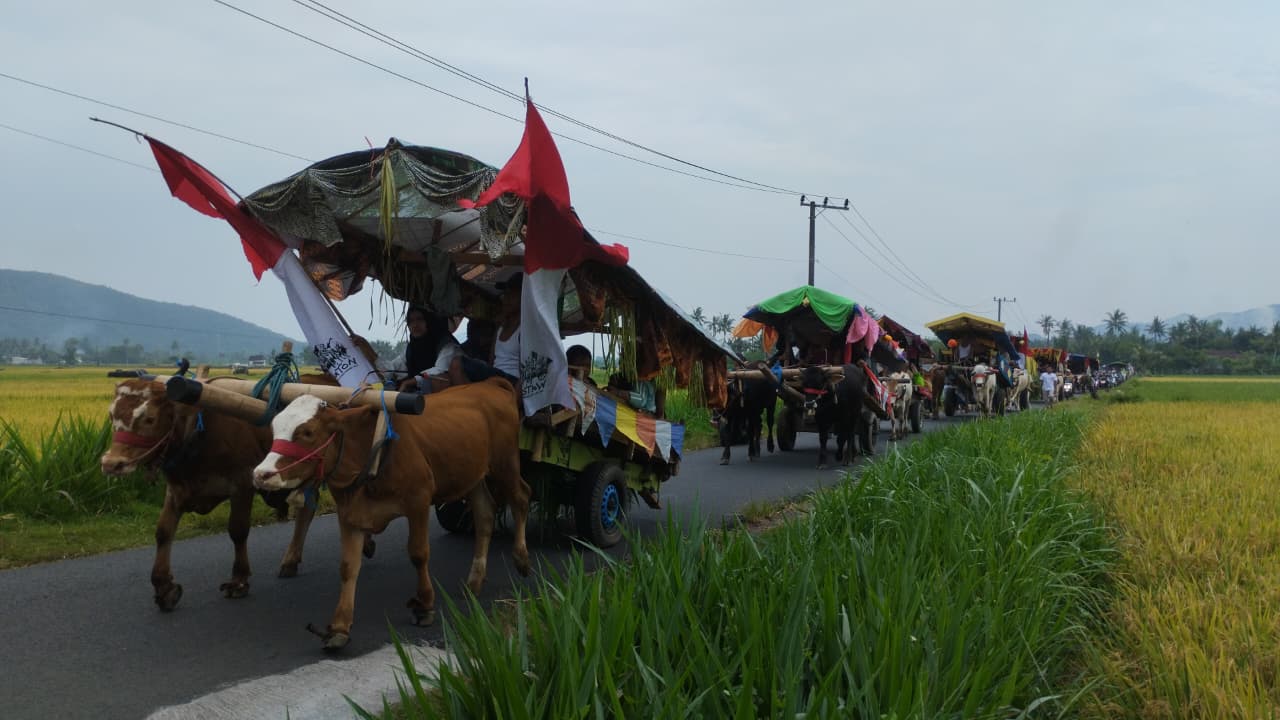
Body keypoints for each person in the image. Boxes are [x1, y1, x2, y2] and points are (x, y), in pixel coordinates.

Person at [397, 306, 466, 394]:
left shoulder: (447, 345)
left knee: (440, 380)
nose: (415, 325)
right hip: (421, 396)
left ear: (429, 321)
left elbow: (439, 369)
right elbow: (393, 367)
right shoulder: (410, 349)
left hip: (453, 394)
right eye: (411, 321)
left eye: (419, 319)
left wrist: (409, 382)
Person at [492, 273, 523, 383]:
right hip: (494, 376)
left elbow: (525, 371)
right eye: (505, 294)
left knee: (458, 364)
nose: (506, 299)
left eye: (512, 294)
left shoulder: (524, 331)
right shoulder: (500, 328)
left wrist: (515, 398)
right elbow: (492, 360)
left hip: (511, 380)